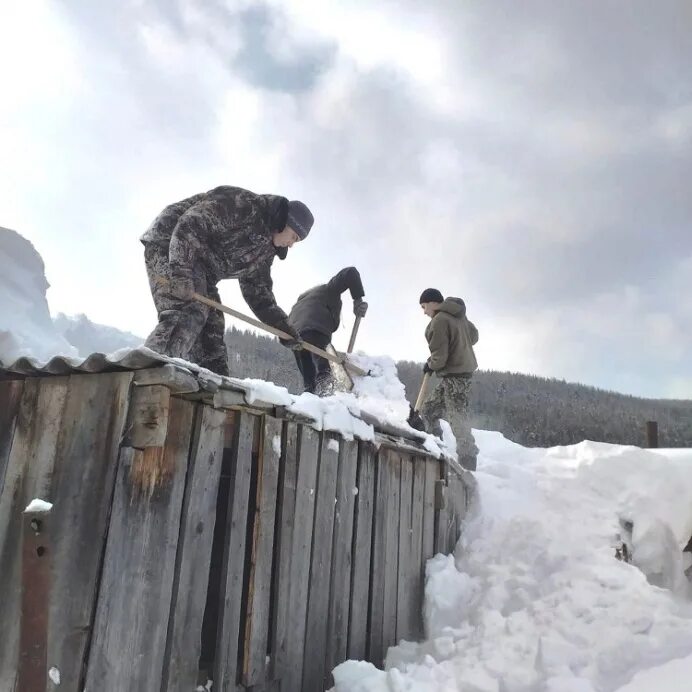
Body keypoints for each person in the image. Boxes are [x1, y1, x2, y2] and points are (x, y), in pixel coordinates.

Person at [140, 185, 313, 376]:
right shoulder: (245, 207)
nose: (291, 244)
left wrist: (282, 327)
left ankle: (211, 386)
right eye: (294, 237)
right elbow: (190, 224)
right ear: (286, 222)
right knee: (188, 311)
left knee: (212, 330)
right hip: (171, 243)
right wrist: (180, 273)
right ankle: (150, 368)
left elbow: (259, 294)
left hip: (201, 268)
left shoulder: (265, 251)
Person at [418, 288, 479, 470]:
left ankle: (469, 466)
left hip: (456, 378)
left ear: (432, 302)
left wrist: (431, 364)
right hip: (456, 377)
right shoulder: (458, 315)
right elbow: (474, 337)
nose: (424, 312)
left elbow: (440, 357)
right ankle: (437, 448)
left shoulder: (439, 321)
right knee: (428, 410)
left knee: (458, 421)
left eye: (424, 306)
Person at [288, 267, 368, 395]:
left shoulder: (300, 303)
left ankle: (311, 400)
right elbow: (350, 273)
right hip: (315, 330)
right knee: (325, 371)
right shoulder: (328, 290)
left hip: (294, 337)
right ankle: (326, 397)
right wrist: (358, 300)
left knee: (309, 381)